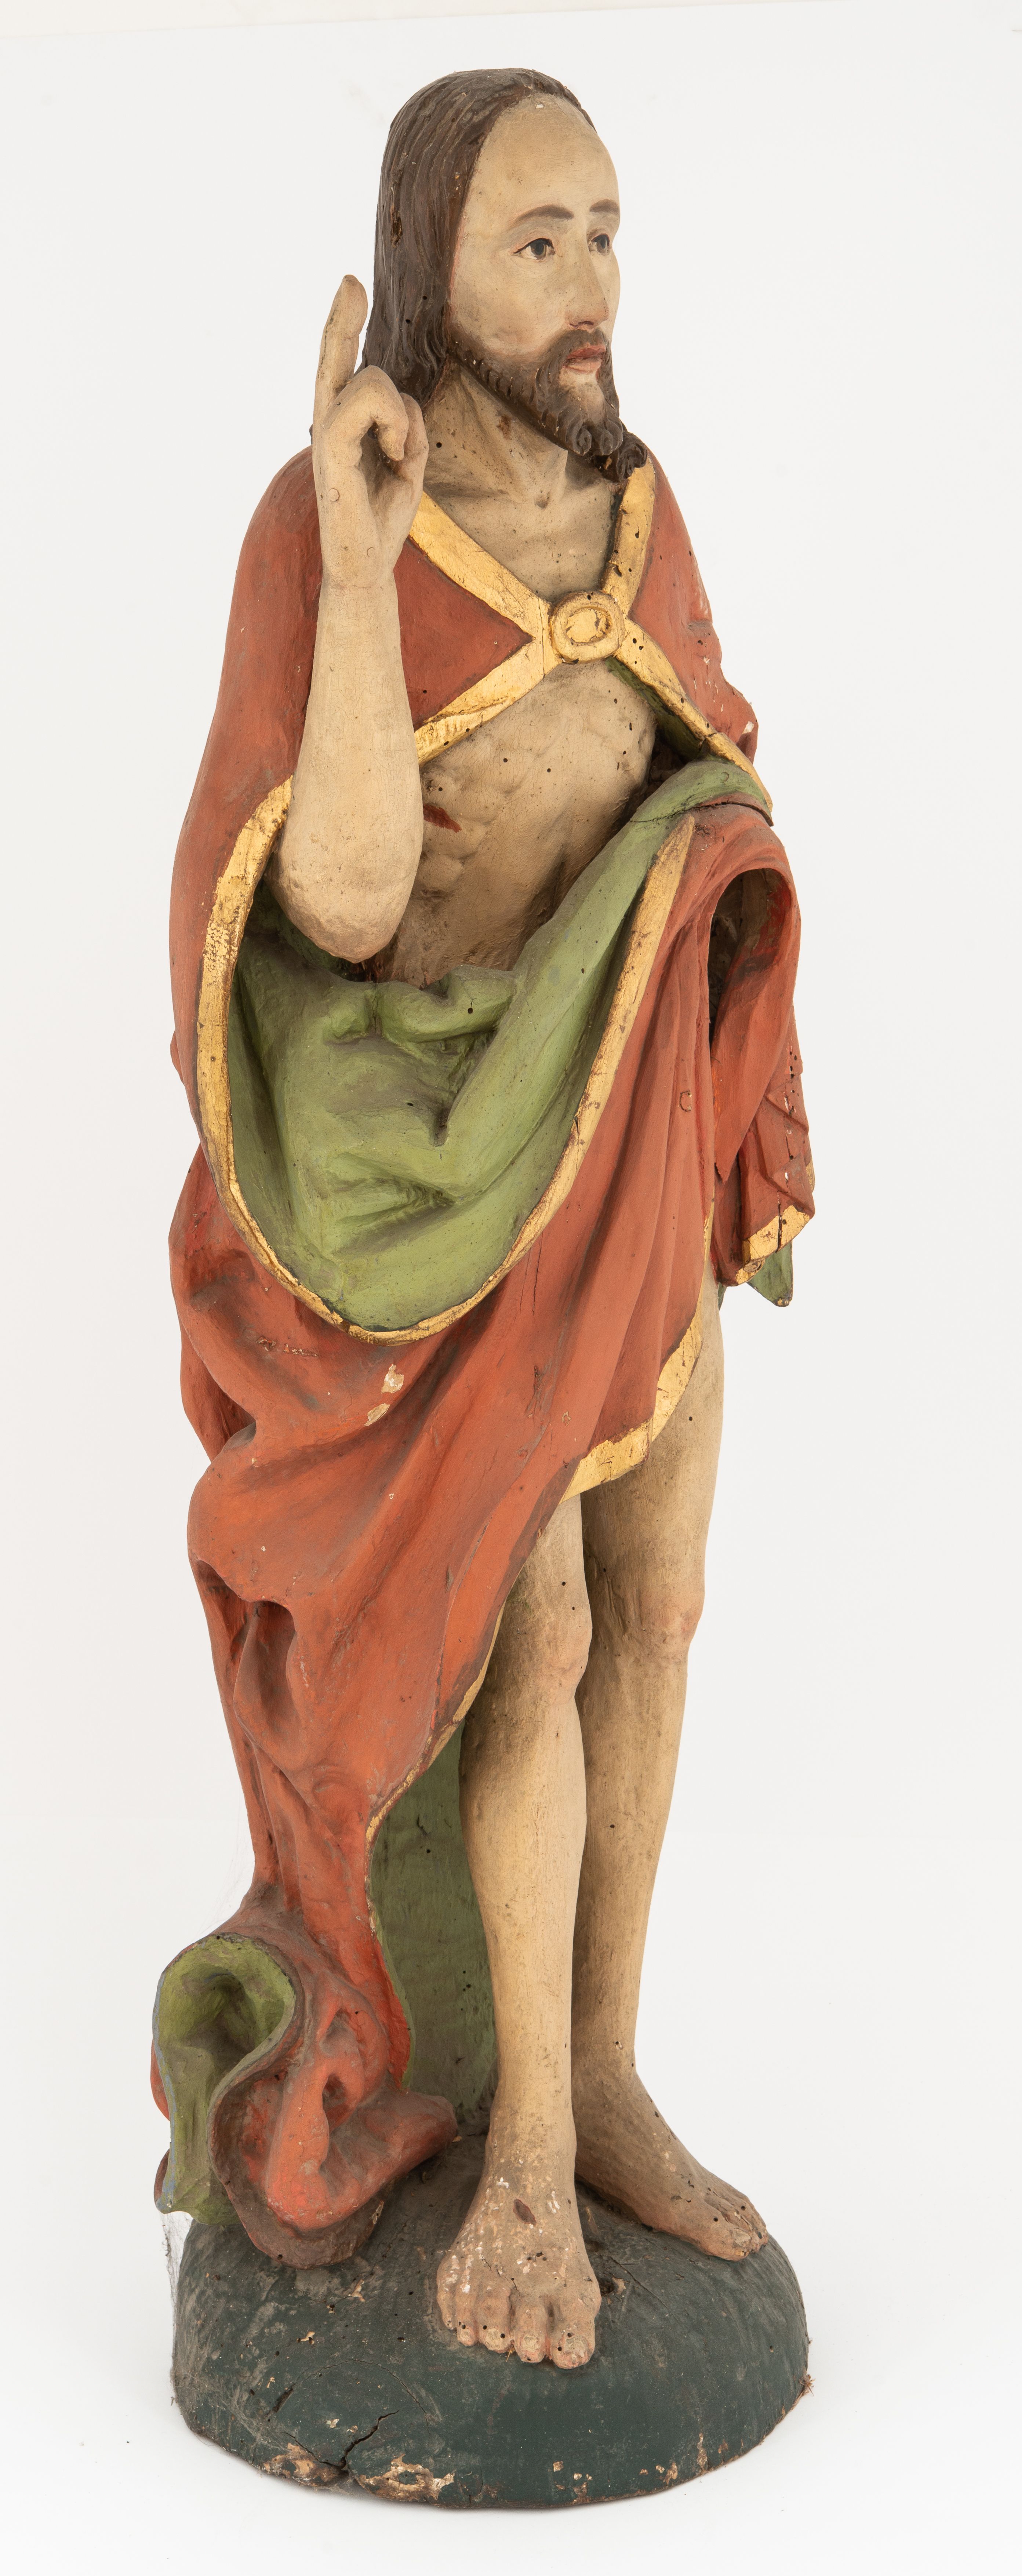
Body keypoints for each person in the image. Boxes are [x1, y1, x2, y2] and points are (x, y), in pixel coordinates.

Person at [154, 68, 814, 2372]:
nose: (589, 285)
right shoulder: (325, 518)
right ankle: (518, 2152)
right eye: (538, 243)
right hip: (428, 1177)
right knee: (522, 1635)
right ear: (429, 258)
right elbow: (332, 901)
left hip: (627, 1123)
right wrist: (356, 572)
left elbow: (705, 755)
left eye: (604, 233)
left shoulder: (637, 511)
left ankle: (603, 2075)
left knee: (657, 1605)